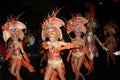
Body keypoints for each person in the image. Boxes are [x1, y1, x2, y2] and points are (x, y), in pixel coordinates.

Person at [41, 9, 75, 80]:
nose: (51, 38)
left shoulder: (59, 43)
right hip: (50, 62)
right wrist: (44, 45)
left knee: (62, 77)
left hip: (58, 62)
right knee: (46, 78)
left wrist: (70, 45)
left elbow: (69, 44)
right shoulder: (49, 42)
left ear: (56, 36)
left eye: (52, 36)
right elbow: (43, 44)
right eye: (50, 36)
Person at [66, 13, 92, 80]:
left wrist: (88, 57)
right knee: (75, 70)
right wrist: (68, 56)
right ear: (74, 32)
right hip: (74, 55)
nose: (77, 33)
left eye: (79, 32)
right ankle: (83, 78)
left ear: (81, 33)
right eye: (76, 32)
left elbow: (84, 48)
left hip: (81, 55)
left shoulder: (83, 39)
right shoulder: (73, 40)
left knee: (77, 69)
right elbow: (71, 49)